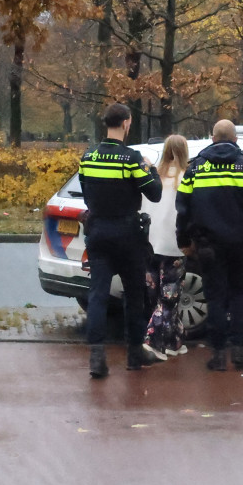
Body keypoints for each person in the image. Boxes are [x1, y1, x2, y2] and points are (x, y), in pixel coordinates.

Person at [175, 120, 243, 371]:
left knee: (215, 298)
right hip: (241, 244)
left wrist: (184, 241)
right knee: (239, 296)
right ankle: (239, 351)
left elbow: (183, 208)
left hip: (209, 246)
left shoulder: (195, 168)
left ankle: (218, 354)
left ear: (212, 138)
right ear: (235, 139)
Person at [79, 103, 162, 378]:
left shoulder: (88, 156)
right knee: (134, 294)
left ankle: (96, 357)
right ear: (126, 123)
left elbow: (87, 192)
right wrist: (153, 171)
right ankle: (134, 354)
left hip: (98, 232)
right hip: (127, 235)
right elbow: (154, 194)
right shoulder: (132, 158)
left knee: (98, 294)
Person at [140, 134, 191, 360]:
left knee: (156, 296)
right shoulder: (185, 178)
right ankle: (153, 342)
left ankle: (174, 341)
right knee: (170, 297)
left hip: (151, 243)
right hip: (174, 245)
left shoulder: (155, 178)